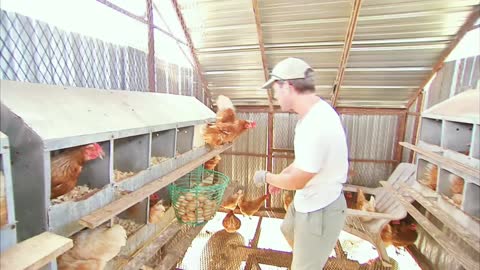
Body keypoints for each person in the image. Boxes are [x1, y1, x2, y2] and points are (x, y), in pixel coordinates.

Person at [253, 57, 349, 269]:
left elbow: (298, 181)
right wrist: (282, 177)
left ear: (288, 86)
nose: (275, 95)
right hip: (308, 200)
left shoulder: (316, 124)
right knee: (288, 229)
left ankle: (309, 259)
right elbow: (303, 161)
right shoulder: (310, 116)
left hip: (320, 211)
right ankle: (309, 255)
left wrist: (266, 177)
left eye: (276, 89)